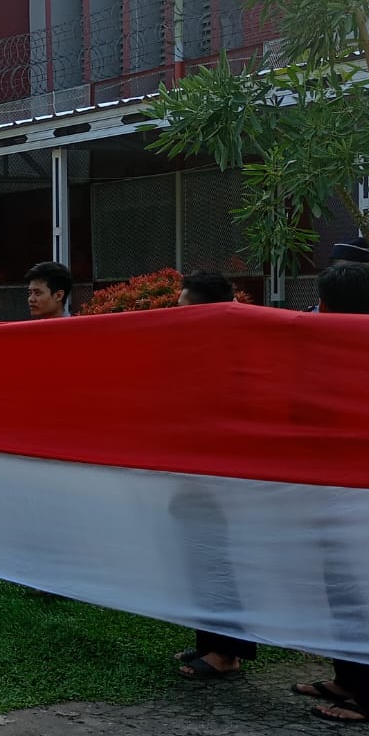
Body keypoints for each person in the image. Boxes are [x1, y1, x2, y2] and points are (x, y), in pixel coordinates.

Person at [293, 260, 369, 724]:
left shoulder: (327, 344)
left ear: (325, 302)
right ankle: (348, 677)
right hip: (355, 483)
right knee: (339, 584)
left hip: (352, 489)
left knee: (356, 590)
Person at [166, 271, 257, 679]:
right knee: (201, 561)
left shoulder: (228, 354)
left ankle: (227, 653)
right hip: (197, 475)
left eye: (183, 307)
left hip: (218, 481)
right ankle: (211, 643)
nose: (175, 314)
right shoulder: (202, 350)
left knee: (216, 563)